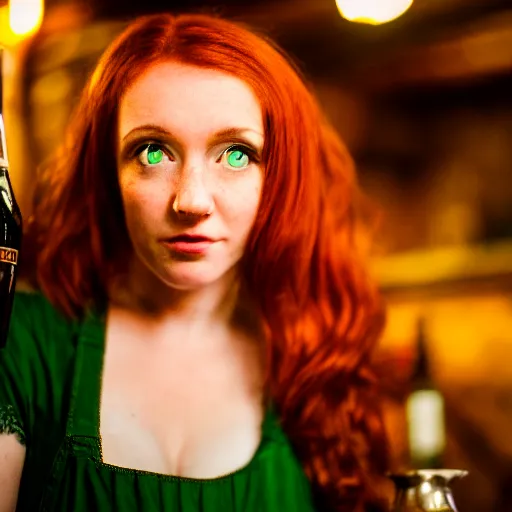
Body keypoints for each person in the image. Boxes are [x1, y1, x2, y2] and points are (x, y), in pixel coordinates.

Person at [0, 12, 389, 512]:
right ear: (106, 172)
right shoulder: (25, 343)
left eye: (236, 154)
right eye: (153, 151)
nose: (192, 201)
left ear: (281, 177)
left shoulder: (313, 362)